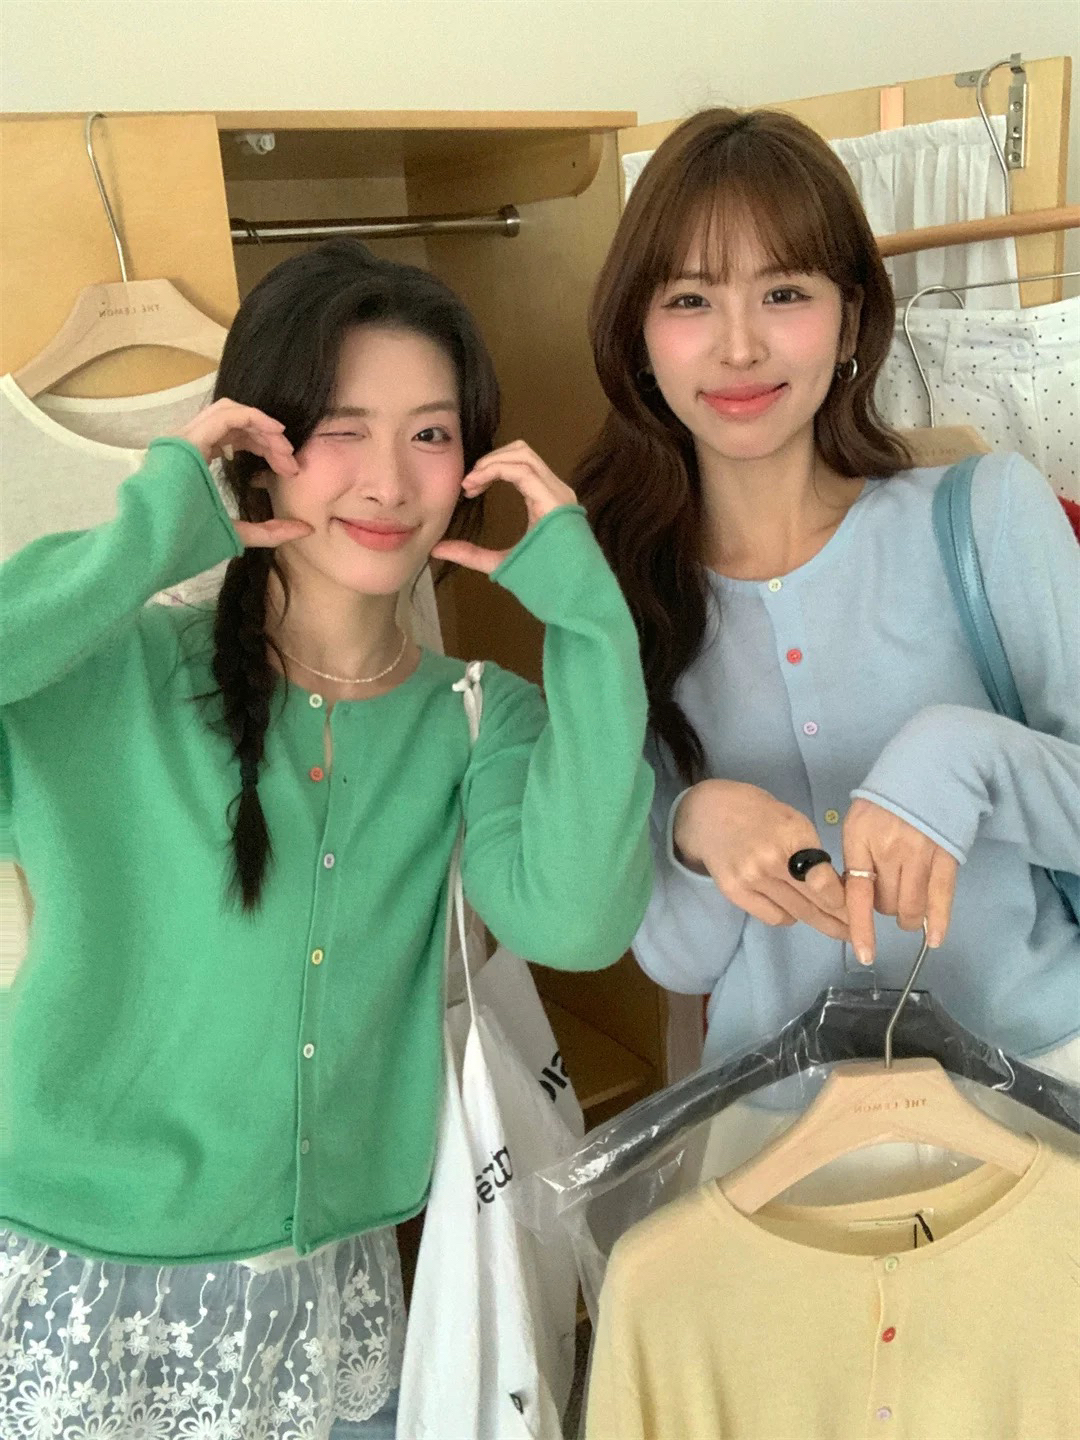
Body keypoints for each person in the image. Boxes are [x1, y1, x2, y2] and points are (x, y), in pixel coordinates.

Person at [0, 240, 654, 1437]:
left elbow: (577, 919)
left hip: (326, 1295)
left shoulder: (479, 715)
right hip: (71, 1281)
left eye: (431, 433)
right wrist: (151, 532)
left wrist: (595, 632)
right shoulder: (108, 673)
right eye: (342, 429)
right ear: (258, 442)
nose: (389, 479)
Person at [573, 108, 1079, 1081]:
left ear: (850, 317)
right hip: (785, 1116)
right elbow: (678, 958)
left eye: (784, 293)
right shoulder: (617, 597)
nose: (739, 347)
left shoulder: (989, 514)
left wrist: (966, 758)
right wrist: (694, 826)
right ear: (639, 335)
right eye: (690, 299)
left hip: (1040, 1083)